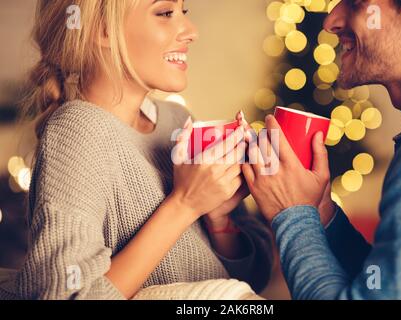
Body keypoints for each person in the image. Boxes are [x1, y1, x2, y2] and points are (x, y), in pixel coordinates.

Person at [10, 0, 272, 300]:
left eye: (183, 13)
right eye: (164, 13)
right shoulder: (76, 131)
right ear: (102, 30)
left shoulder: (177, 120)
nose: (191, 31)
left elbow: (254, 278)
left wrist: (219, 221)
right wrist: (184, 205)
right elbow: (65, 295)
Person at [242, 0, 401, 299]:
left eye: (355, 3)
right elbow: (382, 283)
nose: (331, 22)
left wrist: (291, 213)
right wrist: (320, 212)